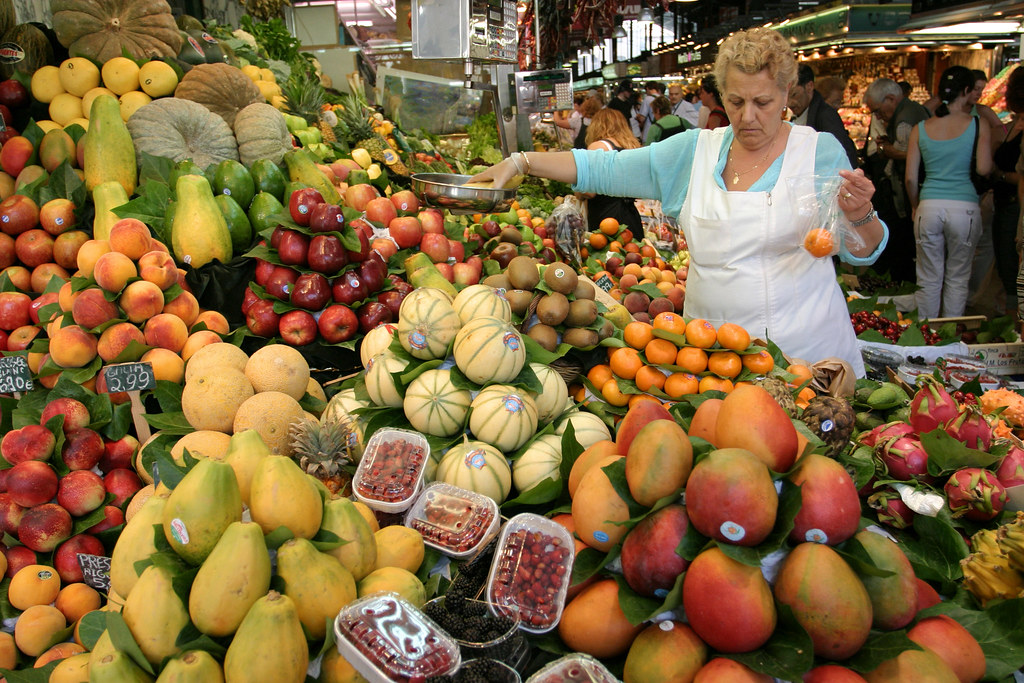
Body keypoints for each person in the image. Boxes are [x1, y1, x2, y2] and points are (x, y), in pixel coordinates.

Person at [470, 27, 886, 375]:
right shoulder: (693, 152)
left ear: (786, 94)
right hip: (710, 361)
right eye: (736, 102)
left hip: (808, 357)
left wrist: (861, 214)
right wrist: (521, 162)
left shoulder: (819, 152)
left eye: (762, 102)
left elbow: (860, 250)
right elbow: (604, 169)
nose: (748, 117)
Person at [905, 66, 993, 319]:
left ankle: (925, 338)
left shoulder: (920, 128)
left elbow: (911, 178)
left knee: (928, 278)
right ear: (966, 91)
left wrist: (915, 206)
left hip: (928, 207)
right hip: (964, 208)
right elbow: (984, 167)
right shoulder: (978, 124)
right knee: (958, 277)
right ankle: (950, 337)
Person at [864, 78, 931, 282]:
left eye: (877, 110)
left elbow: (908, 152)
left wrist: (887, 150)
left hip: (909, 195)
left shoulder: (904, 119)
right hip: (912, 194)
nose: (877, 116)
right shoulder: (910, 111)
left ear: (891, 99)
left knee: (904, 251)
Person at [571, 108, 644, 233]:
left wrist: (576, 188)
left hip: (607, 220)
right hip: (631, 217)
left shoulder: (599, 147)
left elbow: (589, 191)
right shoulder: (632, 147)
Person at [989, 68, 1024, 314]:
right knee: (1008, 269)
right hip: (1006, 207)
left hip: (1014, 208)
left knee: (1013, 272)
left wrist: (999, 175)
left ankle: (1014, 326)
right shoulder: (1012, 125)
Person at [788, 64, 859, 167]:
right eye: (786, 97)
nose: (789, 103)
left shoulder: (826, 116)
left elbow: (842, 157)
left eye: (794, 95)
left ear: (809, 87)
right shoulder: (800, 114)